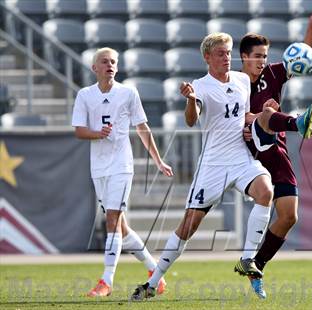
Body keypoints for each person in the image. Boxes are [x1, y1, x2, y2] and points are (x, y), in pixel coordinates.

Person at [131, 32, 274, 301]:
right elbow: (190, 120)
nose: (226, 58)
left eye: (229, 53)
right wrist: (190, 99)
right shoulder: (201, 86)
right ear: (207, 57)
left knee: (266, 192)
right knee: (188, 227)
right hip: (213, 165)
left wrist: (265, 115)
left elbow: (244, 117)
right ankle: (152, 282)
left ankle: (247, 260)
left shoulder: (243, 80)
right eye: (220, 53)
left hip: (240, 158)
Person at [238, 4, 312, 299]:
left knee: (289, 216)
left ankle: (256, 265)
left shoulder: (273, 74)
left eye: (265, 56)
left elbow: (301, 56)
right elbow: (228, 116)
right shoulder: (234, 83)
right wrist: (251, 118)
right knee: (265, 114)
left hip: (276, 147)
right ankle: (297, 122)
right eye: (258, 56)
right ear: (244, 57)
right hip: (251, 146)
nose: (263, 61)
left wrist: (311, 30)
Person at [71, 47, 173, 297]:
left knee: (112, 220)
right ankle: (155, 272)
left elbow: (142, 128)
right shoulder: (85, 95)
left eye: (114, 62)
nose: (110, 65)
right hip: (98, 167)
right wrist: (98, 134)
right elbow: (79, 131)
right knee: (122, 228)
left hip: (121, 166)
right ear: (95, 68)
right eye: (105, 62)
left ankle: (106, 280)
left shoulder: (128, 92)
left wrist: (158, 161)